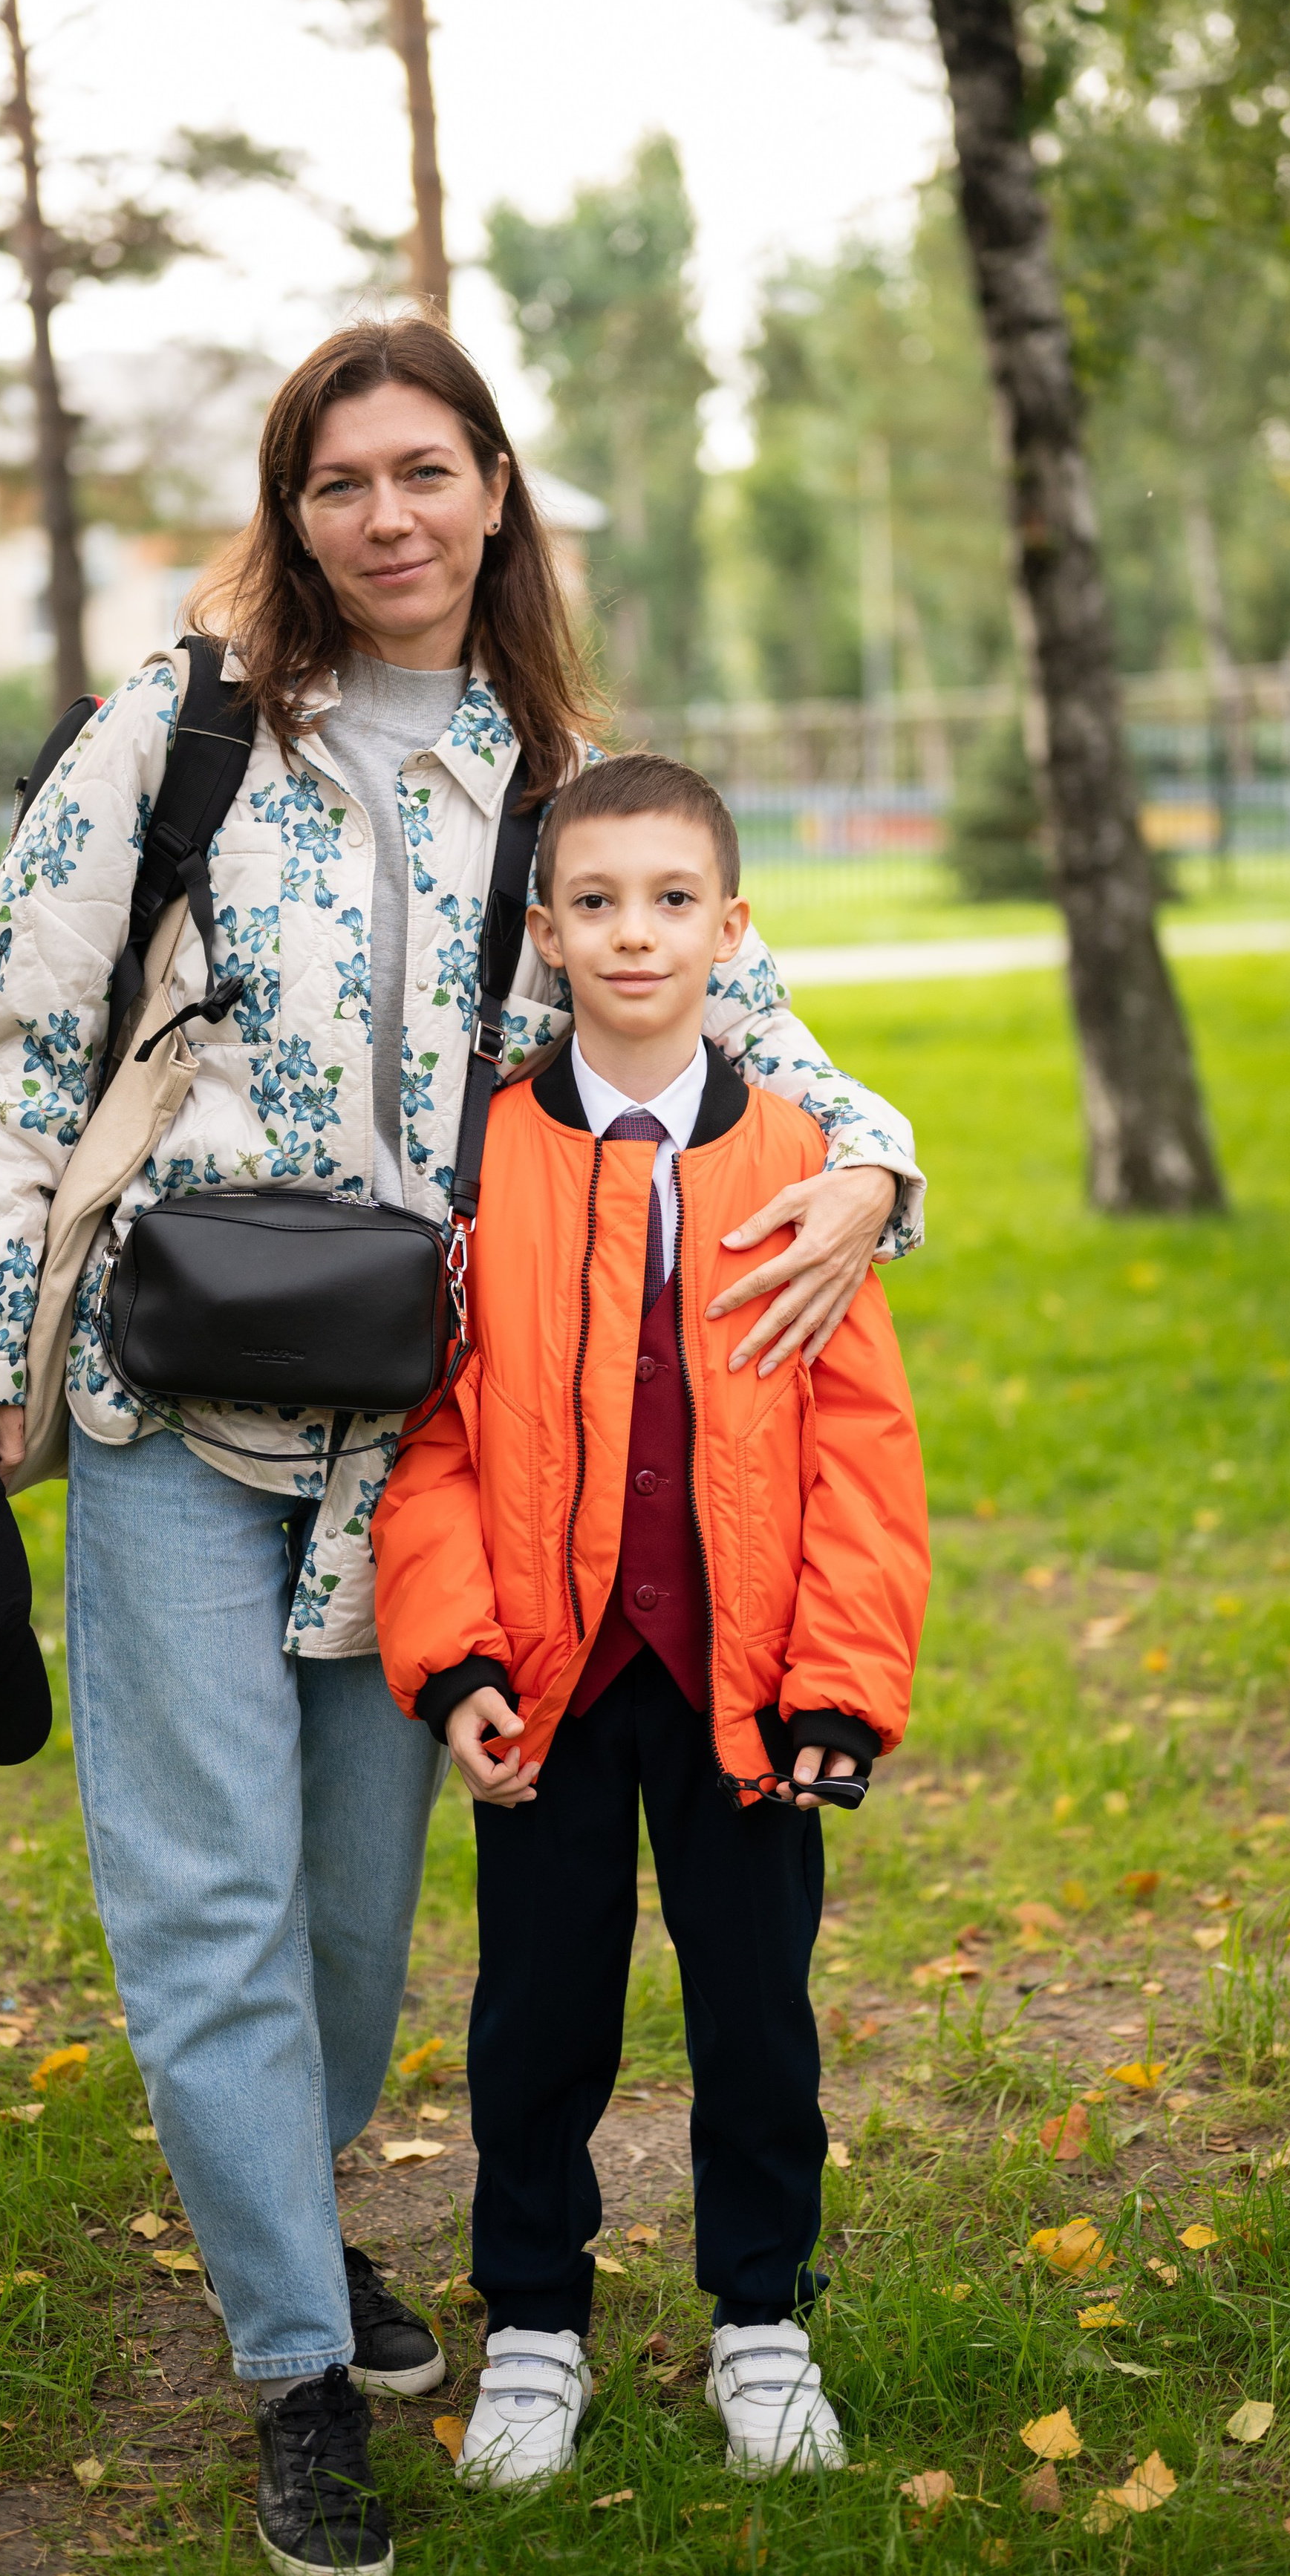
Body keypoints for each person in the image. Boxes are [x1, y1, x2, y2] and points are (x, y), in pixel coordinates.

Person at [0, 321, 925, 2575]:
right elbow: (19, 1036)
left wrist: (866, 1169)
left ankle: (294, 2202)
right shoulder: (169, 735)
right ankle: (292, 2365)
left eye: (425, 471)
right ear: (292, 506)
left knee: (354, 1930)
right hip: (175, 1392)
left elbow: (741, 1017)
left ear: (490, 491)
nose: (387, 515)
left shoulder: (547, 778)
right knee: (207, 1907)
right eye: (342, 477)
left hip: (433, 1442)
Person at [372, 753, 928, 2489]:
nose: (632, 934)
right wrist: (456, 1657)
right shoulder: (485, 1165)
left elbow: (860, 1446)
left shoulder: (799, 1162)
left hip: (747, 1687)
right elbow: (438, 1440)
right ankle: (533, 2322)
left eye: (670, 901)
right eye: (593, 902)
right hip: (552, 1680)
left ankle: (762, 2316)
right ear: (541, 932)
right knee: (539, 2015)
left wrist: (840, 1678)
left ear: (730, 927)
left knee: (757, 2014)